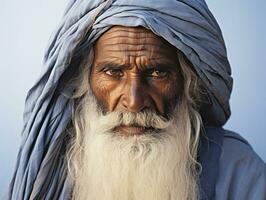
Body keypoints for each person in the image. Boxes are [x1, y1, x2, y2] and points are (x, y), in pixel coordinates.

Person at [6, 0, 266, 200]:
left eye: (157, 73)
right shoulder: (51, 170)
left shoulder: (234, 168)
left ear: (189, 82)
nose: (134, 101)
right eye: (113, 72)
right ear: (85, 80)